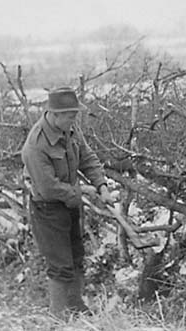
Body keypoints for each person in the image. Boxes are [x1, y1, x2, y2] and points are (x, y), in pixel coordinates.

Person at [21, 87, 114, 319]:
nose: (74, 120)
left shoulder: (69, 128)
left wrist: (101, 185)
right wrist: (82, 190)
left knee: (76, 256)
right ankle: (59, 316)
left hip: (70, 205)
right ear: (54, 114)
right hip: (48, 209)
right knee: (60, 264)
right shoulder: (35, 146)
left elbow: (87, 157)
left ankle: (75, 305)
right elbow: (48, 187)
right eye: (71, 116)